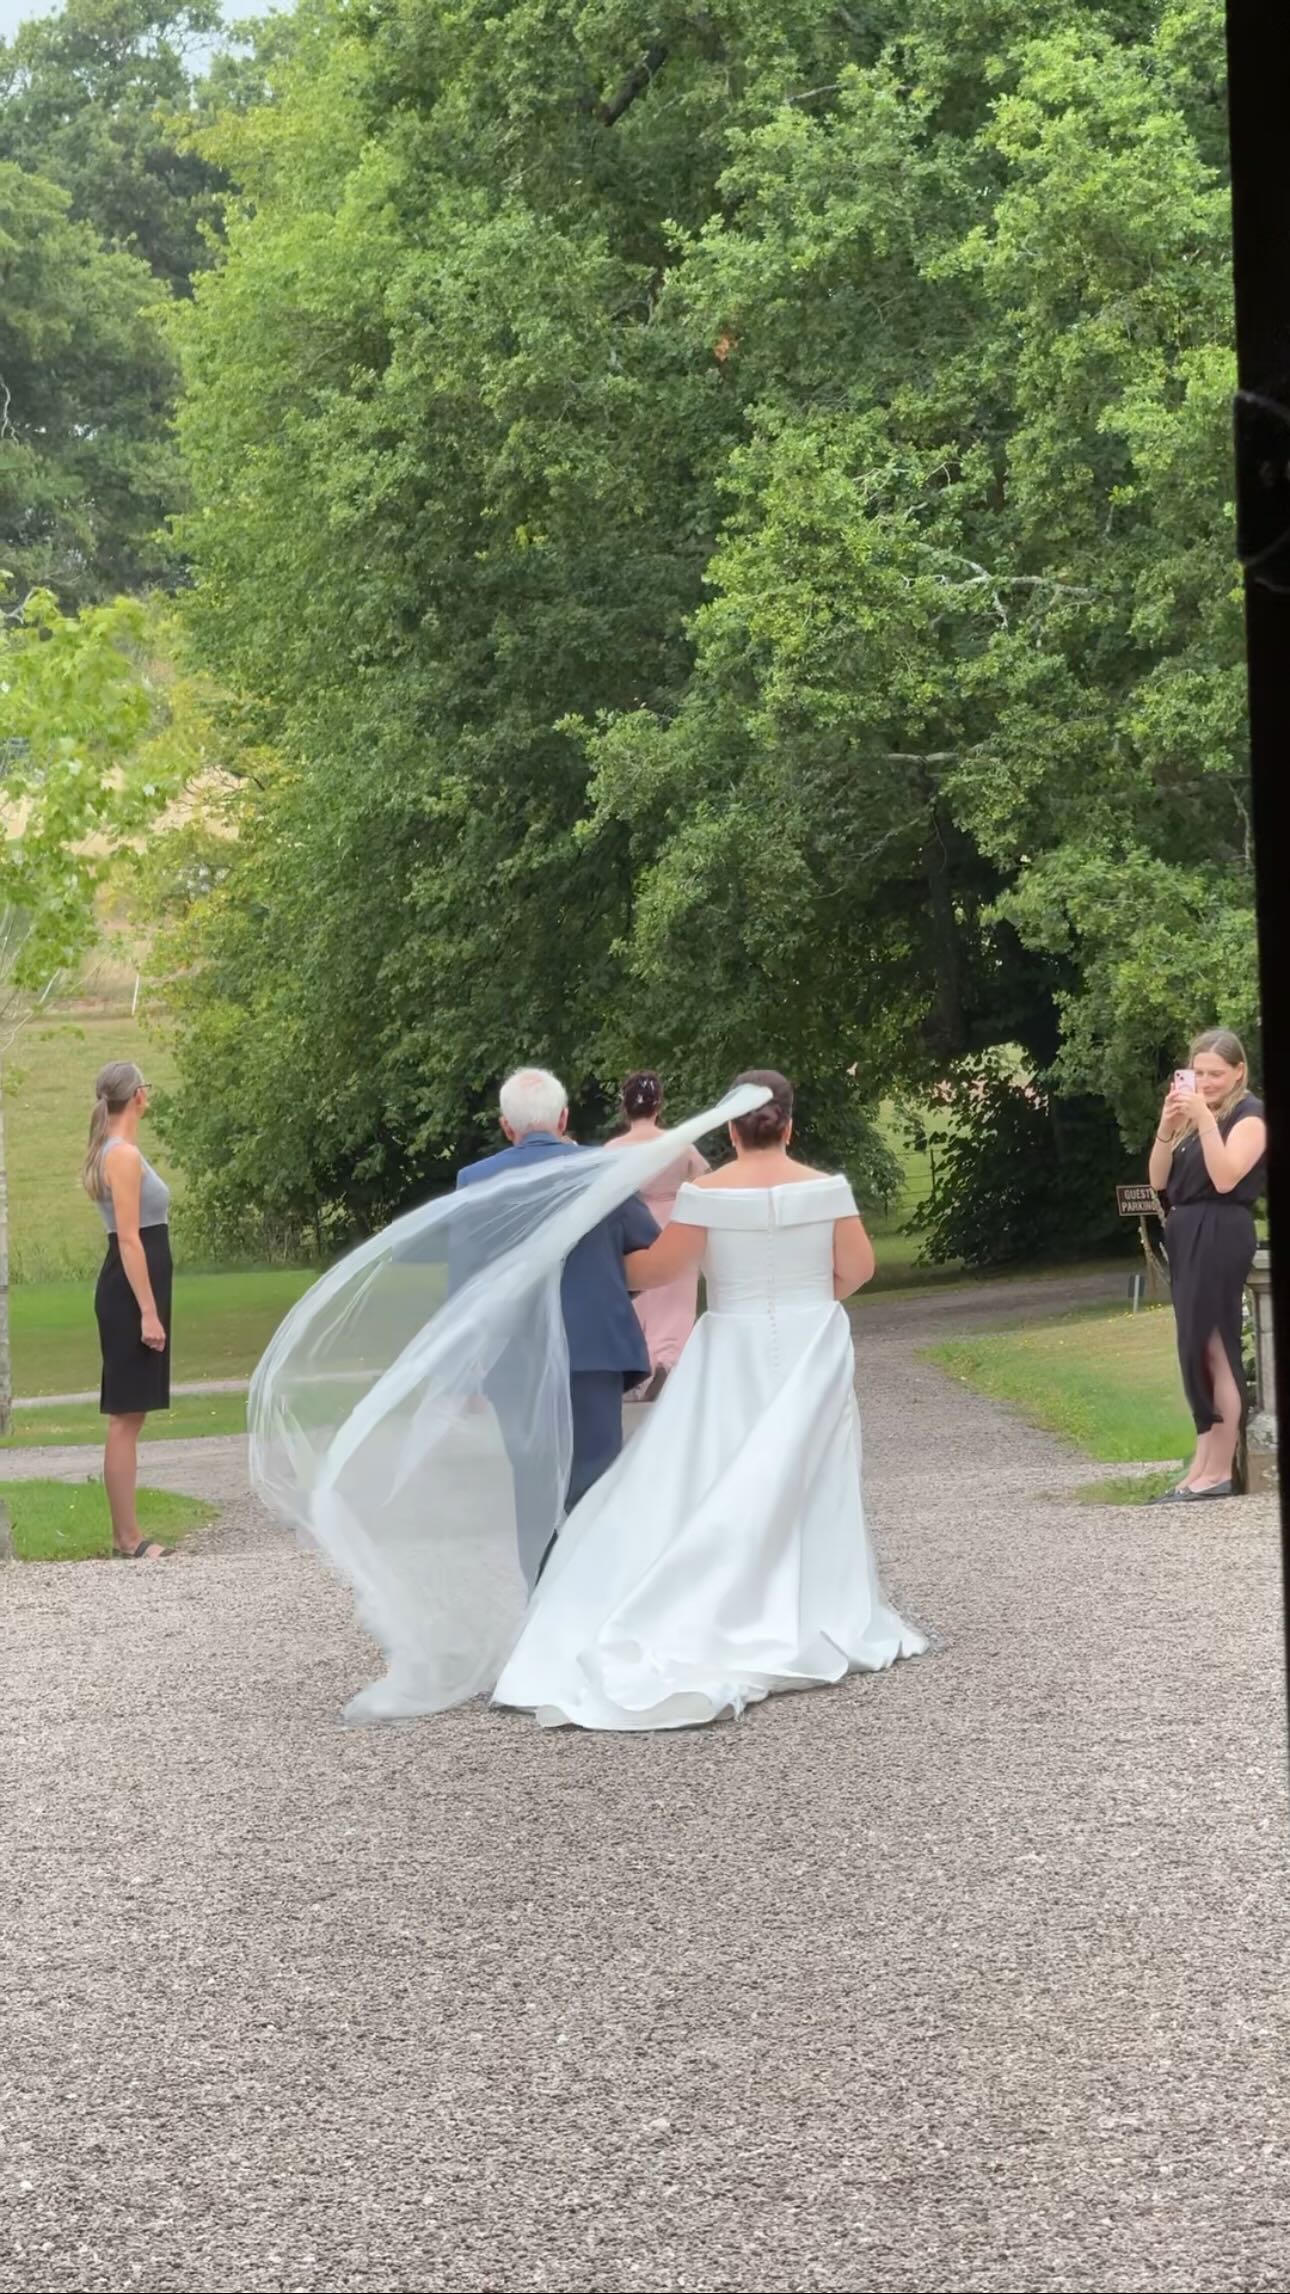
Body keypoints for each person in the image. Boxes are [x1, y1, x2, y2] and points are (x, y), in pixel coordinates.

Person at [492, 1068, 927, 1730]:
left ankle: (722, 1597)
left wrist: (588, 1256)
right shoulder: (829, 1190)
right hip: (812, 1343)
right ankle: (820, 1605)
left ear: (729, 1128)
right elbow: (859, 1268)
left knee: (724, 1471)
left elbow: (658, 1269)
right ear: (788, 1123)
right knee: (814, 1473)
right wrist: (809, 1301)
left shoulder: (707, 1193)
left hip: (733, 1347)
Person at [457, 1067, 658, 1582]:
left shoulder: (474, 1181)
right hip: (593, 1347)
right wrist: (611, 1291)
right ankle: (593, 1603)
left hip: (514, 1357)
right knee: (595, 1483)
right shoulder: (601, 1169)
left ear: (507, 1127)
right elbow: (647, 1246)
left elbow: (466, 1281)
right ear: (564, 1117)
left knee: (531, 1487)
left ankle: (542, 1605)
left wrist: (468, 1366)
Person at [1147, 1028, 1267, 1502]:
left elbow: (1224, 1178)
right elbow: (1158, 1179)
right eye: (1198, 1072)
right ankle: (1201, 1463)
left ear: (1239, 1071)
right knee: (1193, 1349)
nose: (1206, 1081)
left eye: (1215, 1073)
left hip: (1221, 1230)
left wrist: (1204, 1121)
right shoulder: (1196, 1115)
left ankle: (1219, 1471)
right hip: (1186, 1231)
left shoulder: (1249, 1116)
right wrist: (1167, 1123)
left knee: (1216, 1346)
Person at [82, 1060, 173, 1559]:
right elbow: (131, 1241)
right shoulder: (122, 1155)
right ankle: (129, 1539)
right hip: (129, 1290)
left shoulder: (115, 1152)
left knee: (130, 1414)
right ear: (137, 1095)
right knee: (125, 1416)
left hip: (132, 1286)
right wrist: (148, 1311)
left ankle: (127, 1535)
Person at [606, 1070, 707, 1400]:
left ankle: (640, 1369)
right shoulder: (680, 1145)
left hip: (630, 1228)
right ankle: (670, 1360)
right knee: (674, 1298)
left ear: (625, 1106)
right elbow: (705, 1182)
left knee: (639, 1298)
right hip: (675, 1225)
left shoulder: (612, 1150)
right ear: (658, 1104)